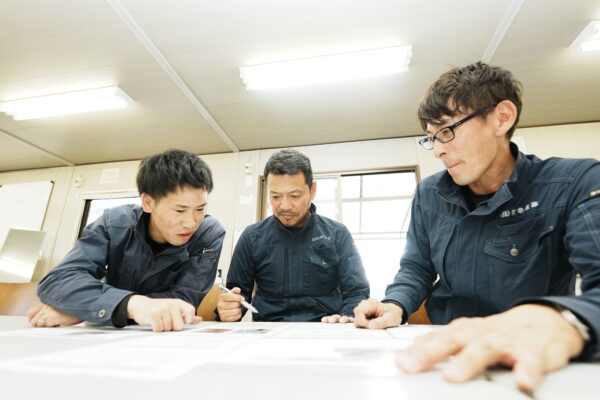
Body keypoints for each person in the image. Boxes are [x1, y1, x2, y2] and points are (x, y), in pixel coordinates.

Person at [353, 62, 600, 391]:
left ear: (502, 117)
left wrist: (563, 320)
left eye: (447, 131)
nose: (439, 150)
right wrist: (395, 304)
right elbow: (416, 268)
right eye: (431, 138)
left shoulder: (576, 183)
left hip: (527, 359)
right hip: (441, 356)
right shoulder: (429, 194)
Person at [28, 149, 225, 332]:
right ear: (148, 202)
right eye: (180, 210)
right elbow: (58, 280)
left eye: (200, 209)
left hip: (166, 334)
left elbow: (185, 299)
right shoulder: (114, 224)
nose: (191, 223)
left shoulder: (209, 233)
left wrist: (89, 308)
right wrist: (129, 305)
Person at [218, 148, 369, 323]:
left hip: (325, 329)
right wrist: (229, 307)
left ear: (312, 190)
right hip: (268, 333)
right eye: (275, 196)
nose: (284, 206)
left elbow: (357, 292)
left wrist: (347, 316)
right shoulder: (252, 237)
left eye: (295, 195)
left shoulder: (337, 234)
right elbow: (236, 293)